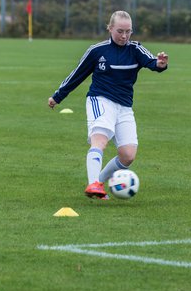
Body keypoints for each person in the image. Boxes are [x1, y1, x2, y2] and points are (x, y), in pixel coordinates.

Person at [48, 10, 168, 200]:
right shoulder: (97, 51)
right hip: (100, 100)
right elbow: (77, 75)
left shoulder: (135, 49)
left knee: (128, 155)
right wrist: (58, 96)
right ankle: (93, 183)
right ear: (110, 28)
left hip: (125, 106)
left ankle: (99, 183)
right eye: (120, 31)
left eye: (128, 31)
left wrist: (160, 64)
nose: (124, 36)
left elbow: (153, 63)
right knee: (100, 140)